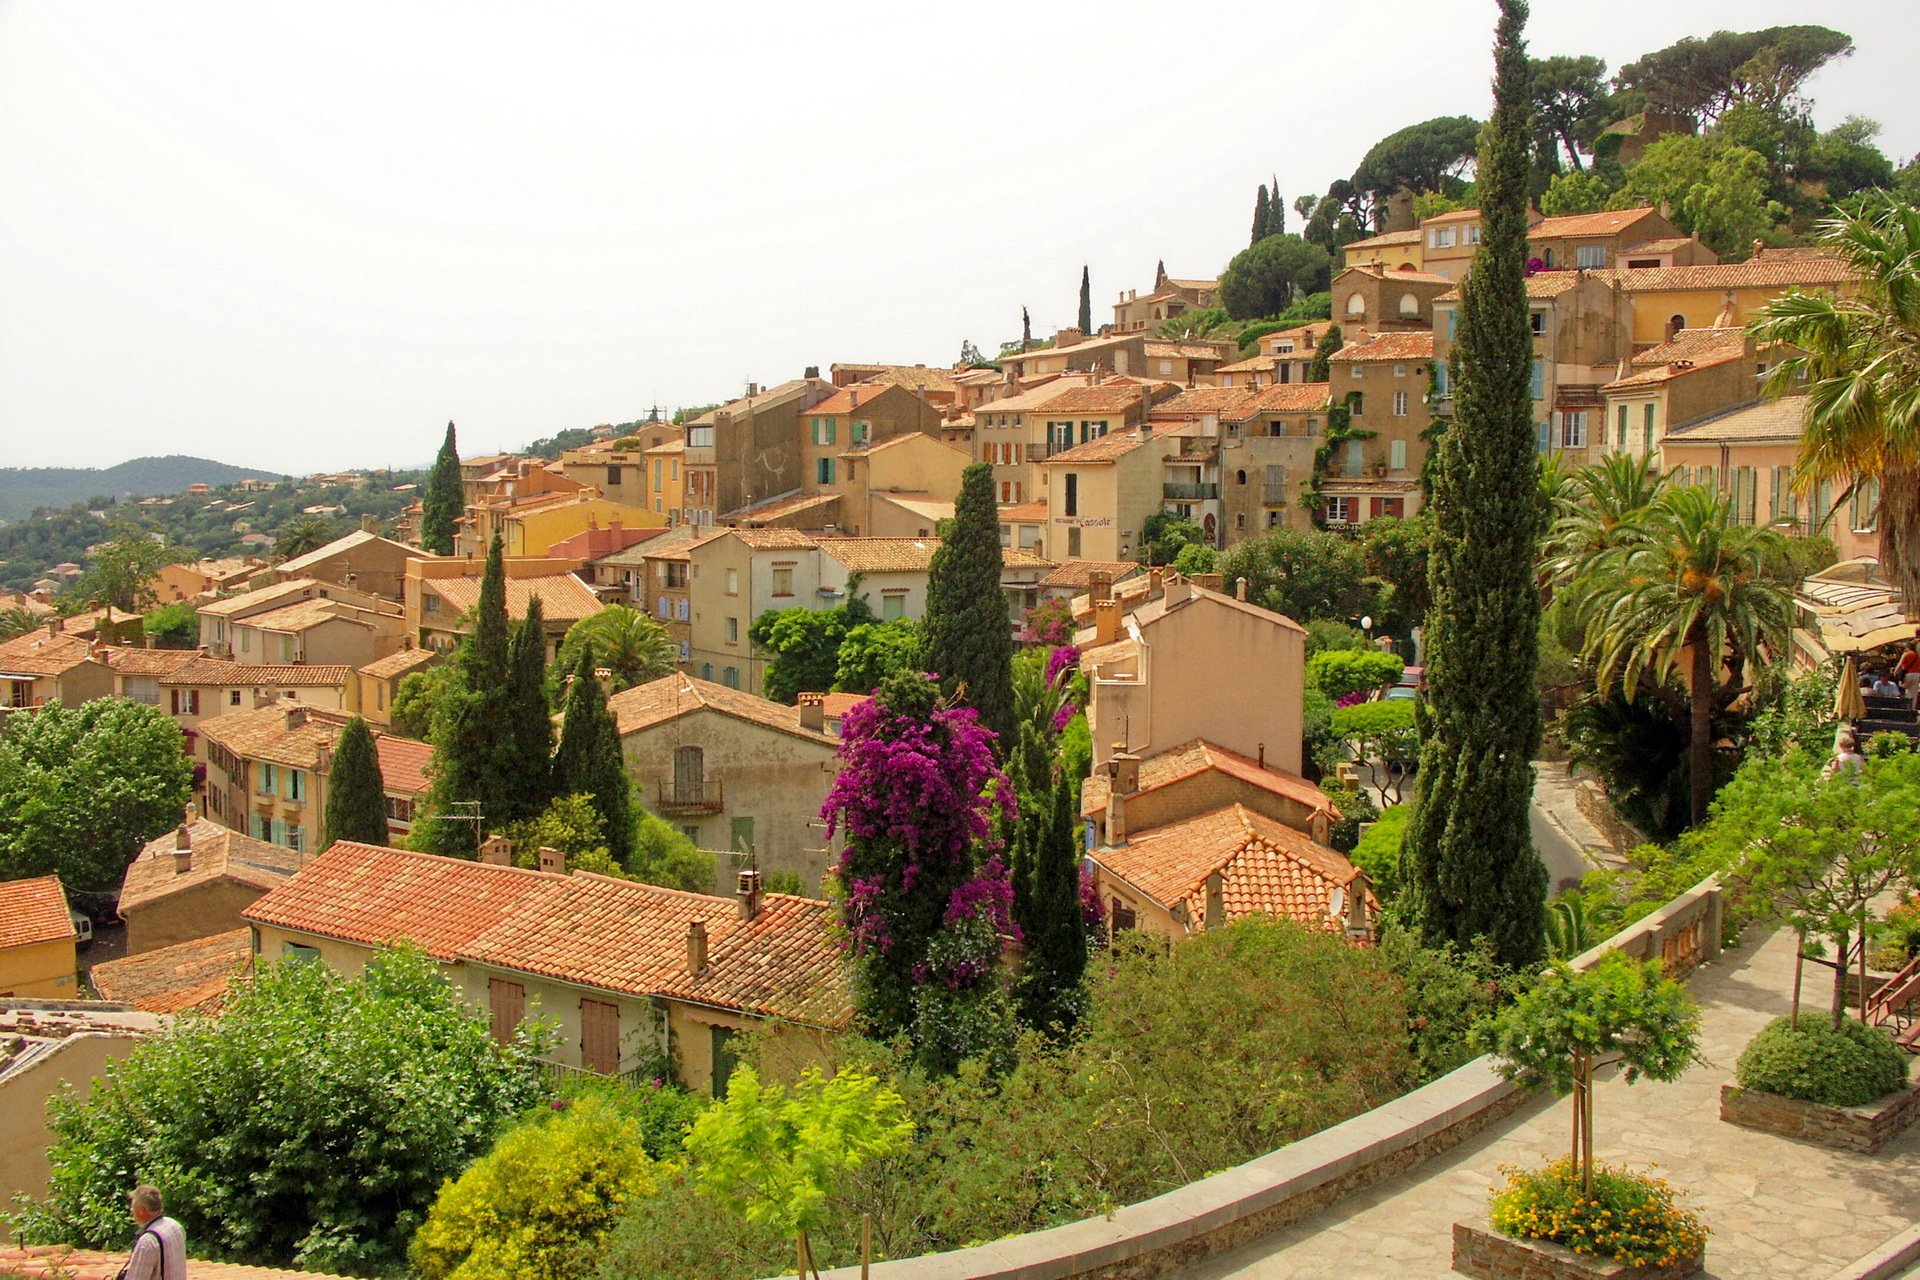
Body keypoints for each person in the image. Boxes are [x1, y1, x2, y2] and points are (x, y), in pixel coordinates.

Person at [121, 1186, 185, 1280]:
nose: (131, 1211)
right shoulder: (175, 1226)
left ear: (142, 1210)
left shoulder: (147, 1242)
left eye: (132, 1207)